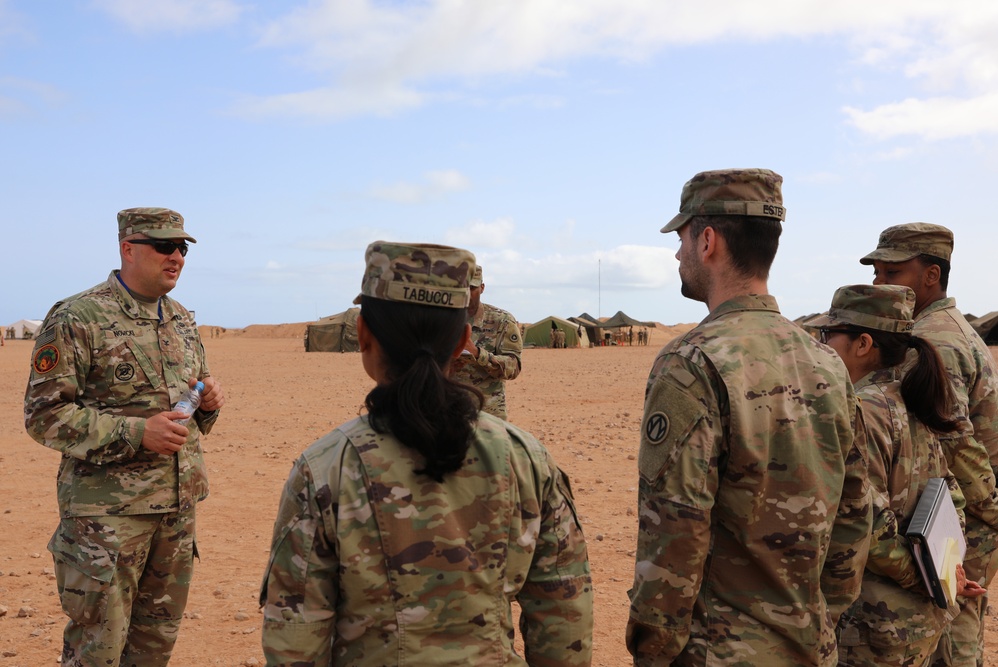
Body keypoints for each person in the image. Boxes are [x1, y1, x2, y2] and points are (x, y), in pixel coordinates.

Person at [260, 241, 593, 666]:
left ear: (363, 335)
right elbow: (564, 617)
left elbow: (295, 637)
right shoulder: (527, 460)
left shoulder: (325, 468)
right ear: (463, 341)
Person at [627, 168, 872, 665]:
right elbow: (855, 509)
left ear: (708, 241)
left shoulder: (692, 363)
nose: (677, 254)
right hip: (810, 647)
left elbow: (675, 531)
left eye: (681, 238)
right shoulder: (825, 360)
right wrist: (818, 619)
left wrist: (654, 653)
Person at [24, 207, 225, 667]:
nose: (176, 256)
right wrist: (138, 433)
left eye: (182, 248)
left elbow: (189, 403)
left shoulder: (180, 319)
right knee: (98, 650)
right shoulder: (78, 316)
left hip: (176, 512)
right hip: (107, 522)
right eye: (163, 246)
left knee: (154, 648)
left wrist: (208, 402)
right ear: (128, 248)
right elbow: (44, 415)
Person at [805, 284, 986, 666]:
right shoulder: (914, 397)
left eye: (828, 335)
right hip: (919, 622)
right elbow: (950, 495)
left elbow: (867, 526)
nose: (821, 346)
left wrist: (925, 578)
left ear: (862, 343)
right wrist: (943, 573)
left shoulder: (863, 410)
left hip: (874, 625)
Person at [861, 223, 998, 666]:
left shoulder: (933, 340)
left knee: (949, 640)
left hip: (959, 521)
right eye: (877, 271)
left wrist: (992, 508)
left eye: (892, 271)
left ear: (931, 276)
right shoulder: (945, 327)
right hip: (965, 514)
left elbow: (950, 438)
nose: (879, 282)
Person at [449, 264, 522, 419]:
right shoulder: (443, 319)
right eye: (461, 288)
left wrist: (477, 353)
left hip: (488, 414)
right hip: (447, 411)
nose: (466, 293)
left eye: (472, 288)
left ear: (482, 288)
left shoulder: (502, 320)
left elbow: (513, 367)